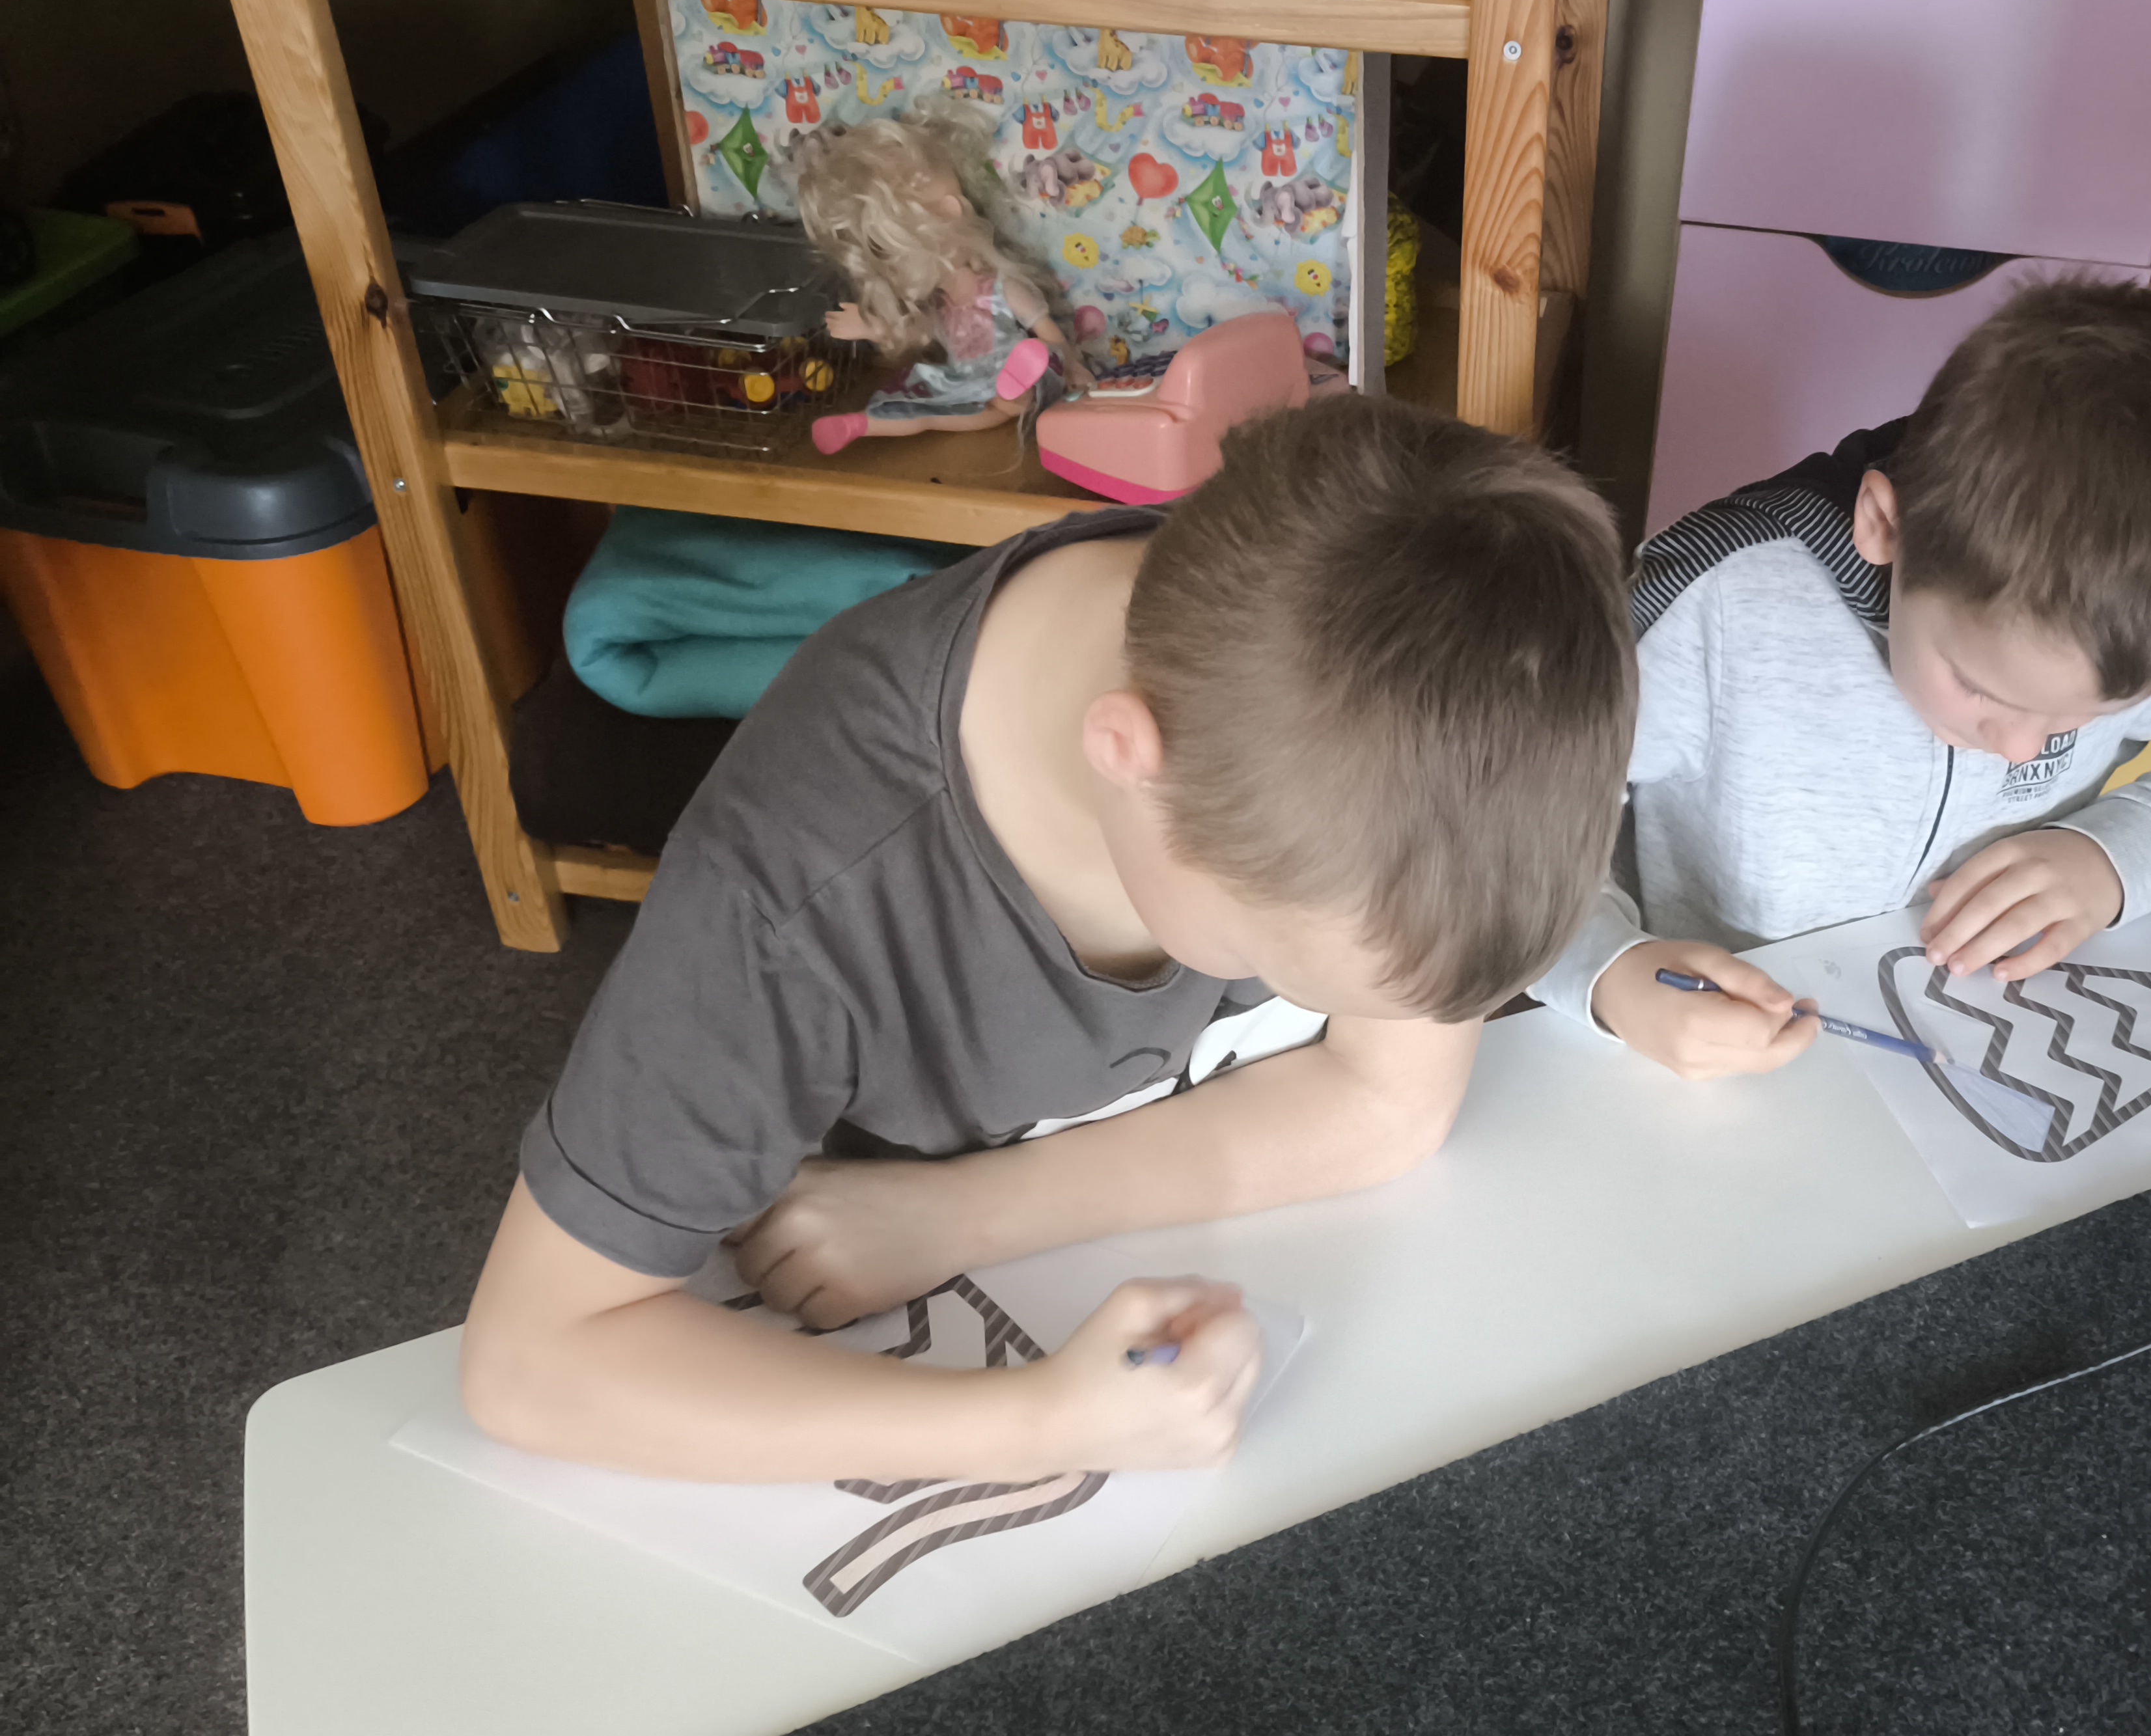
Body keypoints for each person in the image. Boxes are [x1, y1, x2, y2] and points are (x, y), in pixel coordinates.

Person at [464, 398, 1634, 1483]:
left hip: (981, 1238)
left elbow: (1390, 1103)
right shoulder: (792, 897)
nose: (1281, 988)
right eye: (1274, 964)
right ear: (1128, 759)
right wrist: (1037, 1425)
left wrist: (966, 1215)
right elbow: (529, 1361)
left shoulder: (1366, 654)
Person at [1533, 277, 2151, 1079]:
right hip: (1700, 1067)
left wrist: (2112, 861)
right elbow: (1503, 822)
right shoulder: (1717, 602)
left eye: (2079, 720)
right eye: (1981, 689)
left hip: (1969, 1039)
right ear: (1884, 524)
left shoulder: (2147, 615)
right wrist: (1608, 974)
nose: (2020, 750)